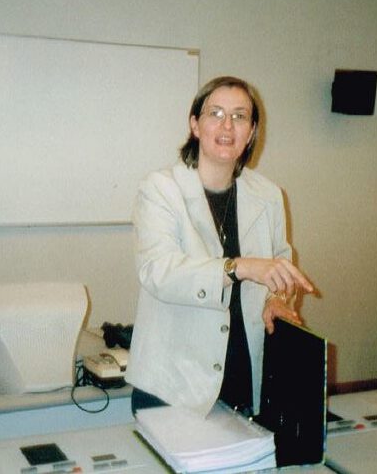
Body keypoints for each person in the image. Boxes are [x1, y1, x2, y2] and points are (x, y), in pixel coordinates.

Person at [124, 75, 314, 419]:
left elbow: (280, 266)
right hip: (173, 382)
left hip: (243, 374)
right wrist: (238, 267)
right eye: (216, 113)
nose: (227, 126)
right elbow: (159, 272)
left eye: (240, 116)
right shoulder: (161, 189)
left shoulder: (269, 195)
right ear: (195, 125)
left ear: (251, 131)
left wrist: (277, 299)